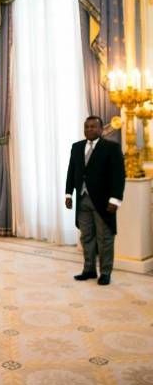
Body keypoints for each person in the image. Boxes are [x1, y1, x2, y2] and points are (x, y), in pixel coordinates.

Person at [65, 116, 125, 285]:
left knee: (104, 238)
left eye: (93, 127)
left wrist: (115, 199)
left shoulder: (111, 148)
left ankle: (105, 273)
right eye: (86, 127)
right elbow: (71, 171)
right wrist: (68, 194)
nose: (89, 129)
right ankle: (89, 269)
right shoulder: (76, 147)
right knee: (86, 237)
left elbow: (118, 175)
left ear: (101, 129)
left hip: (104, 202)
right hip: (82, 200)